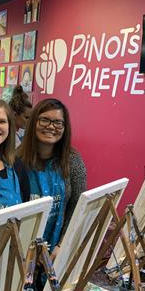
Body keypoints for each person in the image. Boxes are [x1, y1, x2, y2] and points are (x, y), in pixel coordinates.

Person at [18, 98, 87, 257]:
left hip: (57, 249)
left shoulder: (73, 161)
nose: (50, 126)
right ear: (33, 122)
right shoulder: (16, 160)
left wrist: (62, 244)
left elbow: (77, 207)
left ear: (65, 128)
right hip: (20, 249)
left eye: (58, 122)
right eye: (44, 120)